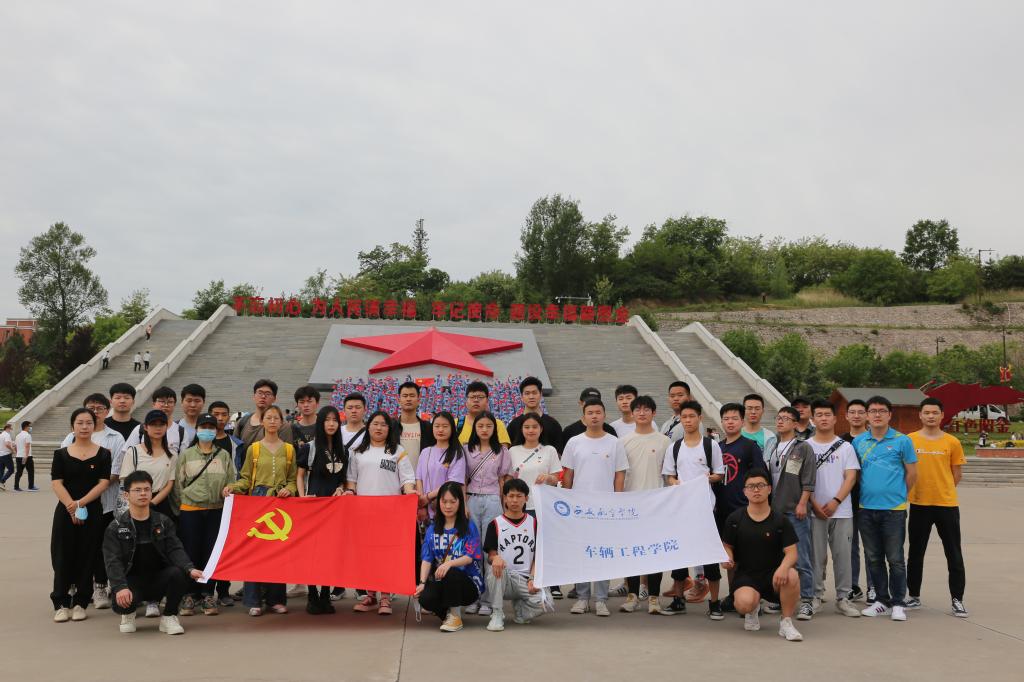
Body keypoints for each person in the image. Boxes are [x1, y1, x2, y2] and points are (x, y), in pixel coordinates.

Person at [105, 470, 204, 635]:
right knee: (123, 600)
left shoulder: (163, 522)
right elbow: (112, 561)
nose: (143, 493)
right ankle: (128, 614)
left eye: (147, 489)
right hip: (131, 583)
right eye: (137, 490)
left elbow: (175, 549)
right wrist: (120, 587)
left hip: (158, 579)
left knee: (179, 573)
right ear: (126, 495)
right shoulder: (115, 527)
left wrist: (189, 568)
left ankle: (169, 617)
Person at [224, 404, 297, 616]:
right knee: (254, 552)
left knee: (277, 553)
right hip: (257, 502)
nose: (272, 421)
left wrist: (289, 490)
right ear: (262, 421)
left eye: (276, 418)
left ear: (282, 422)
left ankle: (276, 599)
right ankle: (253, 600)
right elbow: (246, 478)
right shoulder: (254, 449)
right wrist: (233, 487)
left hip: (280, 503)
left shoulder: (289, 449)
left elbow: (293, 480)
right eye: (269, 418)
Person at [58, 393, 126, 610]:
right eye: (91, 408)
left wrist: (90, 493)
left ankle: (99, 587)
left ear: (107, 411)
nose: (95, 412)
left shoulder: (115, 437)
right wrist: (76, 502)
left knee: (99, 548)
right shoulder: (70, 438)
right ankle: (74, 586)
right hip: (72, 504)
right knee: (72, 547)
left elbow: (115, 472)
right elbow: (60, 474)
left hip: (104, 504)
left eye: (99, 408)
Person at [346, 411, 417, 615]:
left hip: (390, 513)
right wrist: (349, 492)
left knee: (386, 555)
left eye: (383, 425)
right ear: (368, 426)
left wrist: (410, 493)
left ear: (389, 428)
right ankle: (370, 595)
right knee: (367, 554)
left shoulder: (397, 451)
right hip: (364, 513)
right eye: (375, 424)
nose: (379, 428)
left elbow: (407, 479)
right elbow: (351, 480)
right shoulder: (357, 452)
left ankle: (385, 597)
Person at [853, 395, 917, 621]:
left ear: (890, 415)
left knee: (895, 558)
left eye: (882, 411)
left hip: (894, 510)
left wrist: (899, 495)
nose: (877, 415)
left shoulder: (902, 441)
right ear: (867, 416)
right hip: (866, 508)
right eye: (873, 411)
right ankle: (881, 600)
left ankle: (898, 602)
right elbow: (856, 474)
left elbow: (912, 473)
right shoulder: (859, 442)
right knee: (873, 557)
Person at [562, 398, 628, 616]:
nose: (594, 416)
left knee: (602, 554)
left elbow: (620, 474)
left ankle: (600, 599)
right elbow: (568, 474)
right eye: (590, 413)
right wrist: (568, 501)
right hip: (580, 508)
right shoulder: (574, 442)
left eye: (598, 412)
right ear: (583, 417)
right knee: (581, 552)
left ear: (604, 415)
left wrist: (616, 502)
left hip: (605, 508)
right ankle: (582, 598)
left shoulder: (614, 442)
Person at [722, 470, 804, 642]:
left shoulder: (780, 520)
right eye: (751, 486)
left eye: (760, 485)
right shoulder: (735, 519)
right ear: (745, 491)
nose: (756, 490)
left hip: (775, 576)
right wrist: (727, 558)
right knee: (743, 604)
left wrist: (783, 568)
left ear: (769, 489)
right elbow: (727, 546)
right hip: (747, 576)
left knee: (792, 575)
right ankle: (752, 610)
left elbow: (792, 553)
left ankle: (786, 622)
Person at [660, 400, 725, 615]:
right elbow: (669, 476)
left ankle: (714, 602)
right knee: (680, 555)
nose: (688, 421)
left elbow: (719, 473)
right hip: (682, 509)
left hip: (705, 508)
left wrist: (707, 479)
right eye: (684, 417)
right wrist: (675, 482)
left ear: (700, 418)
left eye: (691, 416)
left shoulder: (710, 445)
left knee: (709, 556)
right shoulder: (674, 447)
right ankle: (678, 599)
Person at [907, 397, 968, 618]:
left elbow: (956, 474)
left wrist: (943, 490)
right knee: (915, 553)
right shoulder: (910, 440)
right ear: (920, 415)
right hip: (919, 503)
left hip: (946, 505)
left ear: (942, 415)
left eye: (935, 413)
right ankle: (914, 596)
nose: (930, 416)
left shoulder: (952, 442)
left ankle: (957, 599)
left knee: (954, 553)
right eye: (927, 412)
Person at [49, 408, 112, 622]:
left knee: (88, 555)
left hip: (92, 511)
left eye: (88, 423)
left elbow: (103, 483)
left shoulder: (103, 454)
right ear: (72, 426)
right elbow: (56, 483)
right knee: (62, 554)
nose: (84, 427)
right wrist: (71, 506)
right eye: (80, 423)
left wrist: (81, 504)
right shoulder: (61, 454)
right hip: (65, 511)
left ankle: (80, 602)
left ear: (95, 426)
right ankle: (61, 602)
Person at [176, 412, 237, 617]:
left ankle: (208, 593)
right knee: (191, 551)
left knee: (212, 553)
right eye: (204, 427)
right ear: (197, 430)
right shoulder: (187, 455)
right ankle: (190, 594)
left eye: (211, 428)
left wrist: (229, 488)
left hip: (216, 510)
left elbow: (231, 480)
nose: (207, 431)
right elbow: (178, 485)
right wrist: (182, 506)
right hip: (191, 510)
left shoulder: (223, 455)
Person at [807, 399, 861, 618]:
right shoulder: (805, 446)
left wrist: (836, 501)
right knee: (815, 556)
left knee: (843, 556)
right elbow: (802, 480)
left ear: (835, 419)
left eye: (827, 414)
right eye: (819, 415)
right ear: (812, 419)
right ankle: (815, 596)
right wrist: (813, 504)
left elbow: (851, 477)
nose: (823, 418)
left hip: (842, 511)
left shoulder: (846, 447)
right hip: (814, 511)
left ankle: (843, 598)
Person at [296, 405, 352, 614]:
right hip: (313, 508)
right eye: (327, 420)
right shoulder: (309, 448)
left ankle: (325, 595)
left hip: (335, 509)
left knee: (330, 553)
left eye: (335, 420)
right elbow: (300, 475)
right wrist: (302, 498)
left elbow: (344, 479)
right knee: (312, 554)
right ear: (320, 423)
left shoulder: (344, 450)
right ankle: (312, 595)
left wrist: (341, 488)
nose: (331, 424)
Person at [619, 395, 670, 614]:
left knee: (655, 552)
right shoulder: (623, 441)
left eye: (646, 409)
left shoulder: (664, 442)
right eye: (637, 409)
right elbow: (620, 474)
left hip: (656, 505)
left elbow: (669, 474)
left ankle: (654, 598)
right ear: (631, 413)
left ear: (654, 413)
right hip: (630, 505)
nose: (642, 413)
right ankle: (632, 596)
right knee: (631, 551)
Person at [715, 402, 767, 615]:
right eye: (726, 419)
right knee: (730, 557)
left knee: (749, 557)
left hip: (744, 510)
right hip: (722, 510)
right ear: (721, 422)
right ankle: (734, 595)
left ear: (742, 421)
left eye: (734, 418)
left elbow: (760, 476)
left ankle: (754, 599)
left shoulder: (749, 446)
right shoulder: (717, 447)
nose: (730, 422)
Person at [765, 406, 816, 617]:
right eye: (779, 418)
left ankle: (807, 600)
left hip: (795, 509)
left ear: (795, 424)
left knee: (802, 557)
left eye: (786, 418)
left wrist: (803, 503)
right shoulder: (772, 445)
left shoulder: (803, 447)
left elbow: (809, 479)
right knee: (778, 558)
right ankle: (780, 597)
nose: (781, 421)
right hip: (774, 510)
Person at [416, 481, 484, 633]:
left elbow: (470, 557)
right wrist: (422, 582)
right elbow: (427, 558)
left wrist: (449, 564)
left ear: (460, 502)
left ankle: (455, 617)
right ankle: (448, 615)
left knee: (451, 571)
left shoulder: (469, 527)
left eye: (452, 502)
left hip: (468, 584)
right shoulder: (432, 529)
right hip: (443, 581)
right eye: (444, 501)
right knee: (425, 598)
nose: (448, 506)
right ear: (438, 502)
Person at [463, 411, 512, 616]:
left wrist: (504, 505)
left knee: (489, 550)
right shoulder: (466, 449)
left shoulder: (501, 450)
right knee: (472, 549)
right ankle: (473, 596)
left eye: (488, 426)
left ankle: (488, 600)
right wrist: (464, 504)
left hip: (492, 500)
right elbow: (462, 479)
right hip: (472, 499)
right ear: (474, 428)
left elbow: (504, 480)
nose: (484, 429)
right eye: (480, 426)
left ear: (495, 428)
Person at [484, 478, 545, 631]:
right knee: (495, 567)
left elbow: (538, 556)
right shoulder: (495, 524)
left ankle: (521, 610)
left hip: (526, 579)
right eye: (511, 496)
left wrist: (533, 578)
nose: (515, 500)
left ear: (526, 498)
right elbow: (491, 555)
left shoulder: (534, 523)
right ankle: (497, 613)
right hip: (505, 578)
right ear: (504, 498)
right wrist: (495, 558)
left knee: (545, 603)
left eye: (519, 496)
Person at [841, 398, 872, 602]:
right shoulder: (841, 442)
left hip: (870, 501)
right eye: (852, 412)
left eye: (861, 412)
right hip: (848, 502)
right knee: (849, 548)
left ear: (867, 415)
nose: (856, 416)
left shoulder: (873, 439)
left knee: (871, 548)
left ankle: (873, 587)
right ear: (846, 416)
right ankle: (853, 585)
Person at [121, 410, 178, 519]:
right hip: (136, 501)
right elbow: (125, 481)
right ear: (145, 427)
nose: (158, 428)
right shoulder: (133, 452)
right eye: (153, 424)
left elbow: (170, 484)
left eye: (161, 424)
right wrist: (142, 502)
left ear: (166, 427)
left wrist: (151, 503)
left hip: (161, 503)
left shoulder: (172, 454)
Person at [507, 414, 561, 515]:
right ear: (521, 429)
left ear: (541, 429)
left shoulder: (550, 450)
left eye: (535, 427)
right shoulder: (512, 451)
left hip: (544, 505)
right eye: (527, 427)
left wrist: (548, 477)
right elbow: (508, 480)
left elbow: (556, 479)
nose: (531, 430)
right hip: (518, 506)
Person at [416, 412, 467, 518]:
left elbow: (453, 482)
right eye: (437, 426)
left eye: (445, 426)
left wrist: (428, 497)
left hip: (447, 508)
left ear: (452, 429)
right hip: (425, 511)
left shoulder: (457, 453)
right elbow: (419, 479)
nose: (440, 430)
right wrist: (421, 503)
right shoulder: (425, 452)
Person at [234, 380, 296, 457]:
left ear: (274, 398)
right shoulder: (242, 422)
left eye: (267, 394)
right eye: (260, 393)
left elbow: (285, 455)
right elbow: (235, 450)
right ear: (254, 396)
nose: (263, 396)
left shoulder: (282, 425)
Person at [124, 386, 189, 457]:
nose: (166, 405)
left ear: (174, 405)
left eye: (170, 402)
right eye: (162, 401)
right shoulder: (140, 429)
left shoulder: (181, 432)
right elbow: (127, 454)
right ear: (153, 404)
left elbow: (184, 459)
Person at [507, 376, 564, 453]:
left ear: (540, 395)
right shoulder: (513, 425)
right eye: (527, 393)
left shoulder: (553, 424)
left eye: (534, 393)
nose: (531, 397)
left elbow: (559, 453)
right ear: (521, 397)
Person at [397, 381, 436, 473]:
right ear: (399, 400)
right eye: (405, 396)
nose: (408, 399)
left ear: (418, 400)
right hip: (396, 479)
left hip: (422, 479)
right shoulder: (391, 427)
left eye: (412, 395)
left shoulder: (428, 428)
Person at [457, 381, 512, 446]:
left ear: (487, 401)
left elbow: (503, 450)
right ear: (466, 401)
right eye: (472, 397)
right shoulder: (456, 424)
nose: (476, 400)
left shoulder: (497, 424)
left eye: (480, 397)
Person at [14, 420, 36, 491]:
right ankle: (31, 487)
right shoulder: (27, 435)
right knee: (31, 471)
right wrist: (26, 456)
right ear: (26, 427)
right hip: (27, 457)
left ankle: (16, 487)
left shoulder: (18, 435)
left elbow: (15, 446)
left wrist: (17, 453)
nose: (30, 428)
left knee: (19, 472)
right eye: (30, 426)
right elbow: (27, 446)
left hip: (19, 456)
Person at [0, 423, 14, 491]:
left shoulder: (1, 434)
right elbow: (7, 444)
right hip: (6, 454)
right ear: (8, 428)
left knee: (1, 470)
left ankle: (1, 484)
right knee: (11, 469)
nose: (11, 430)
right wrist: (12, 450)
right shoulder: (7, 435)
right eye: (11, 429)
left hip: (0, 454)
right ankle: (2, 481)